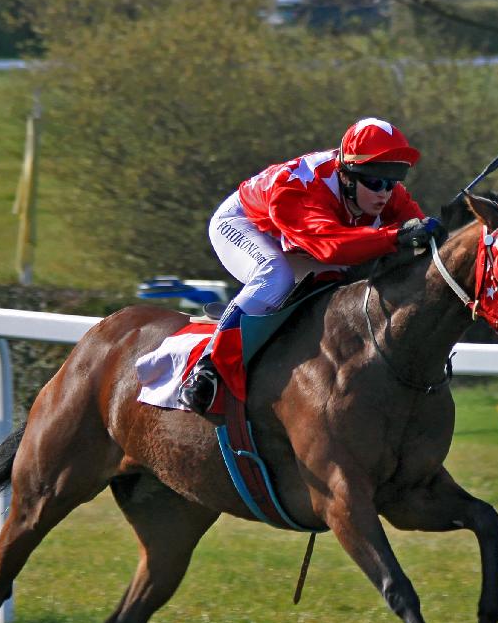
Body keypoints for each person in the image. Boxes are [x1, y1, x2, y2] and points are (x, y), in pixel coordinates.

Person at [178, 117, 446, 413]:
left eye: (393, 180)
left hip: (301, 238)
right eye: (374, 181)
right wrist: (396, 236)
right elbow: (331, 248)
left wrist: (433, 232)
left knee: (342, 284)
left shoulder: (384, 192)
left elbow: (414, 230)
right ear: (347, 176)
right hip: (244, 223)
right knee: (275, 275)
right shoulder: (301, 189)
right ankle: (207, 369)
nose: (384, 191)